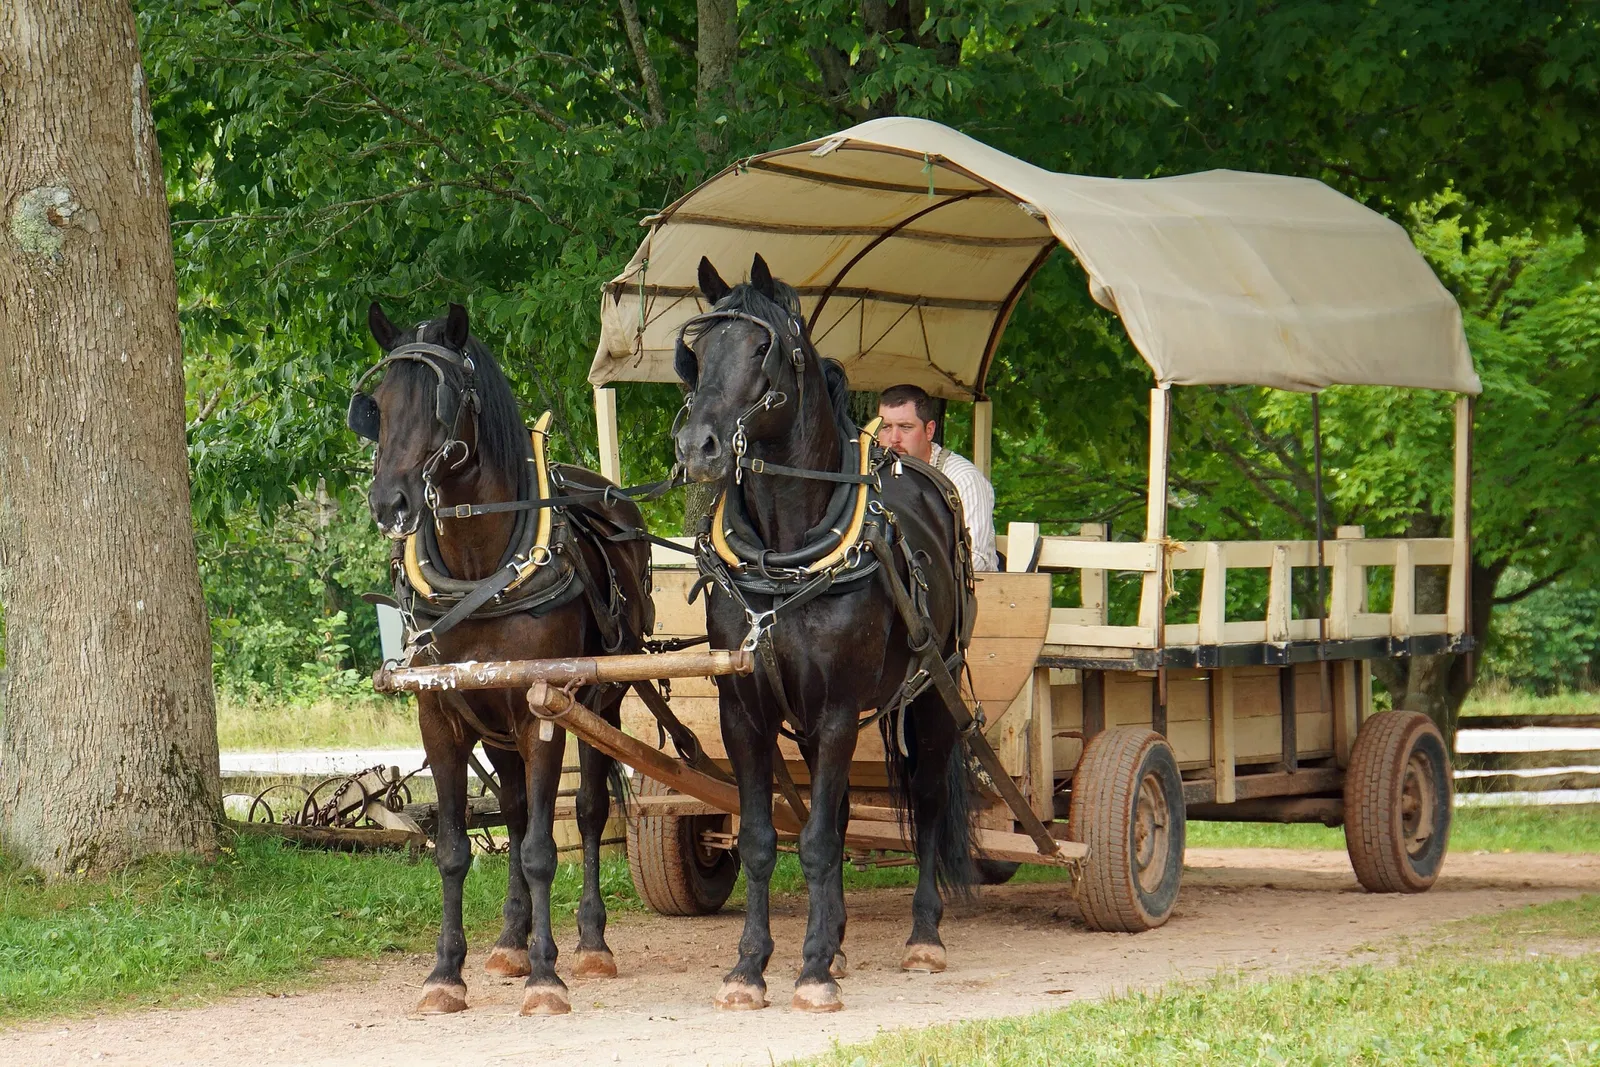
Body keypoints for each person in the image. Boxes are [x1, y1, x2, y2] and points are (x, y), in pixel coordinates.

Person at [876, 384, 999, 572]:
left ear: (929, 430)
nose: (894, 438)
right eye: (885, 427)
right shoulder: (871, 477)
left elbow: (976, 559)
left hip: (965, 598)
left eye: (905, 427)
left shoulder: (962, 478)